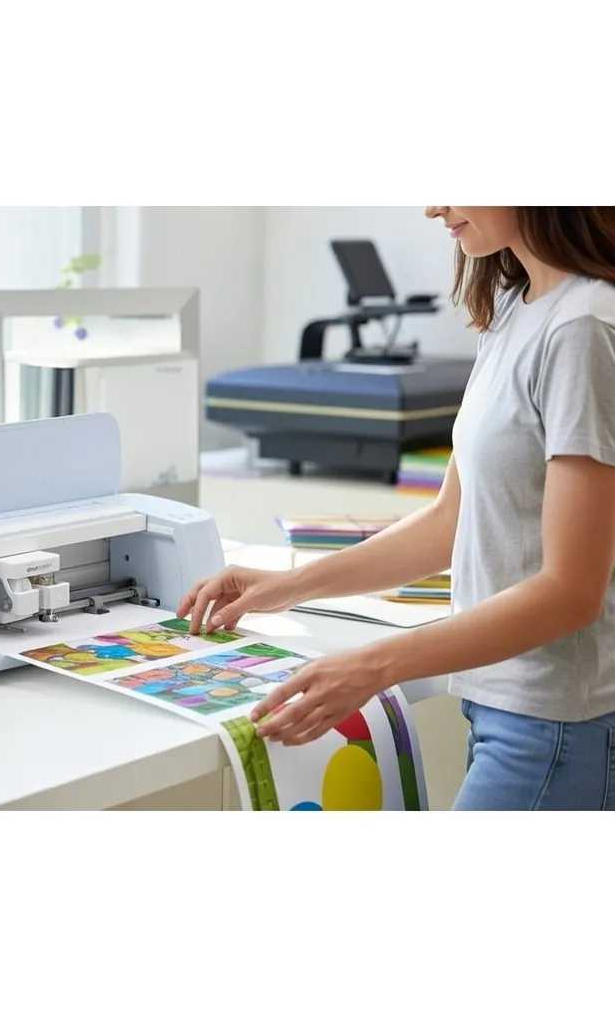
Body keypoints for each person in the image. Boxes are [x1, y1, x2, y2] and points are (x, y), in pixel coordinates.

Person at [178, 207, 615, 810]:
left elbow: (571, 591)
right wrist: (287, 586)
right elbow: (447, 522)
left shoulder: (583, 326)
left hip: (559, 726)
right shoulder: (514, 307)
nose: (434, 205)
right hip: (505, 712)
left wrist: (374, 667)